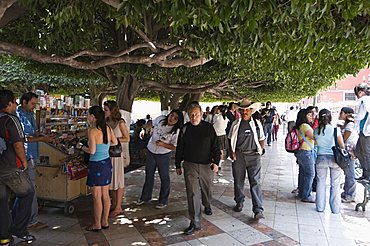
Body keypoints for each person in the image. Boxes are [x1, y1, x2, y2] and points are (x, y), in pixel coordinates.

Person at [175, 103, 220, 235]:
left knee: (207, 189)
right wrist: (178, 164)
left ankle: (207, 204)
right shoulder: (185, 129)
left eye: (197, 114)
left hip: (206, 165)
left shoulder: (209, 128)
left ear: (201, 115)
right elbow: (180, 148)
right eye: (192, 115)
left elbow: (215, 147)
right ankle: (195, 222)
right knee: (192, 193)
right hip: (190, 165)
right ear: (188, 116)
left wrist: (216, 162)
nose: (194, 117)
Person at [0, 89, 35, 245]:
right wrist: (24, 162)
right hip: (11, 166)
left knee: (2, 201)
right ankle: (19, 229)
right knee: (27, 193)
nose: (16, 104)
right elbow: (18, 144)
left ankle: (4, 237)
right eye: (14, 101)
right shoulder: (11, 120)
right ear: (8, 103)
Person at [76, 105, 118, 232]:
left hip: (96, 165)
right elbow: (115, 142)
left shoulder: (93, 131)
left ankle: (97, 224)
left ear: (93, 117)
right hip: (106, 163)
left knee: (96, 196)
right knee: (105, 194)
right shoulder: (108, 128)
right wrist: (104, 146)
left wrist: (81, 147)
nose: (88, 117)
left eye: (89, 115)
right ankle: (105, 221)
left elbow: (92, 151)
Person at [16, 92, 54, 230]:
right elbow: (23, 138)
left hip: (32, 155)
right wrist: (41, 139)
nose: (34, 107)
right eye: (32, 104)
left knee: (27, 189)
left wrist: (43, 135)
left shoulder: (30, 115)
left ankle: (21, 218)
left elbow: (33, 134)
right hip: (25, 156)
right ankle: (31, 220)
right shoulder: (18, 116)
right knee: (29, 189)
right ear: (24, 102)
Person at [137, 109, 183, 208]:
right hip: (151, 150)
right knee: (149, 175)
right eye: (171, 115)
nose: (172, 118)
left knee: (164, 177)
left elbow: (175, 147)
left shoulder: (176, 131)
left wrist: (163, 144)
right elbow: (150, 123)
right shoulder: (161, 119)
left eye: (175, 118)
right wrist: (144, 129)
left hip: (163, 155)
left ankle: (163, 200)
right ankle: (145, 197)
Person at [228, 99, 265, 220]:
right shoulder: (235, 124)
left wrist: (260, 151)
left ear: (251, 111)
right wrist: (232, 152)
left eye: (247, 109)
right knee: (238, 180)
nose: (245, 112)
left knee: (255, 182)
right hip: (239, 155)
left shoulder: (257, 124)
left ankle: (258, 209)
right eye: (243, 110)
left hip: (254, 156)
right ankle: (239, 202)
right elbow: (230, 139)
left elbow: (262, 138)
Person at [313, 109, 344, 214]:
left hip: (321, 158)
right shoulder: (335, 130)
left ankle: (320, 207)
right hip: (335, 159)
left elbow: (316, 143)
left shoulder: (316, 131)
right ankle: (335, 209)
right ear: (330, 118)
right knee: (335, 184)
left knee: (320, 183)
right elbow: (342, 145)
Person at [103, 100, 130, 218]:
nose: (104, 112)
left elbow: (127, 138)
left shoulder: (120, 123)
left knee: (118, 180)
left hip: (116, 154)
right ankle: (114, 204)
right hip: (107, 153)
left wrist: (114, 140)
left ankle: (118, 206)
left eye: (106, 110)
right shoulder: (105, 122)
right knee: (112, 181)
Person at [295, 108, 316, 203]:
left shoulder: (300, 126)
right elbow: (315, 137)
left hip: (301, 152)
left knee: (303, 173)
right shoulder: (305, 126)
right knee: (310, 174)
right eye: (309, 115)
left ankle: (301, 192)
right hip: (306, 152)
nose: (311, 117)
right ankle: (306, 195)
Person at [338, 107, 358, 202]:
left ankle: (349, 195)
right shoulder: (347, 124)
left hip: (349, 151)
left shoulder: (350, 125)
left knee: (350, 173)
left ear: (346, 114)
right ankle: (347, 193)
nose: (340, 115)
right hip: (348, 150)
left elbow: (344, 139)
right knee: (348, 172)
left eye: (341, 113)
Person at [354, 83, 370, 181]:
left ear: (360, 92)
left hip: (366, 131)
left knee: (365, 153)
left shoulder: (364, 100)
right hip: (363, 131)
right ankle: (365, 173)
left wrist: (352, 117)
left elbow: (360, 116)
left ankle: (368, 175)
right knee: (359, 151)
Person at [211, 105, 229, 176]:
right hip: (222, 135)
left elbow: (212, 124)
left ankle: (215, 163)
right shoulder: (225, 118)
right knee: (221, 151)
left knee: (215, 150)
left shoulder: (217, 116)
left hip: (216, 135)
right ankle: (219, 164)